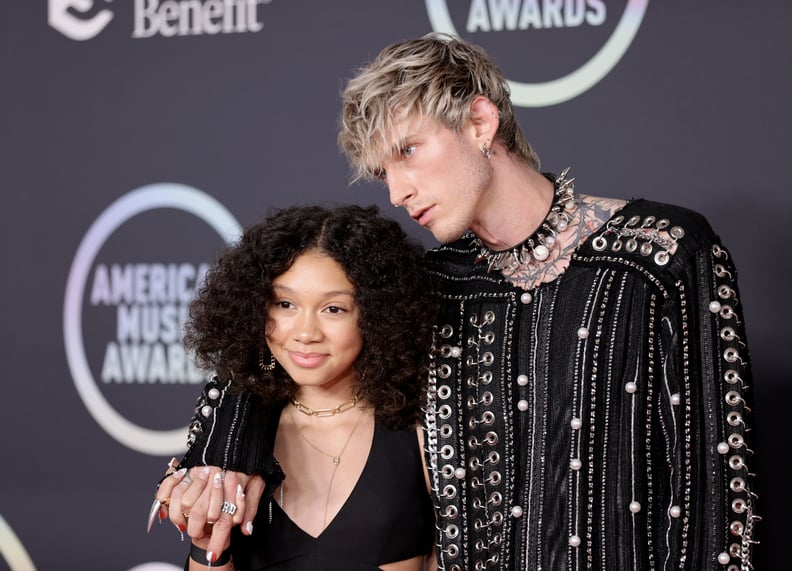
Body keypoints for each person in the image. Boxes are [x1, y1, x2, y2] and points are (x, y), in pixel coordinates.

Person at [159, 34, 759, 570]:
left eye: (409, 151)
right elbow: (285, 351)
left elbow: (720, 483)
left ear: (479, 122)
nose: (397, 192)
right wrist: (225, 453)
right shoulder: (428, 288)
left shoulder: (656, 255)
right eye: (382, 173)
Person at [149, 204, 438, 570]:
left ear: (379, 314)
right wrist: (209, 542)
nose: (305, 333)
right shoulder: (234, 432)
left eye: (333, 309)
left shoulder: (426, 431)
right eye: (285, 304)